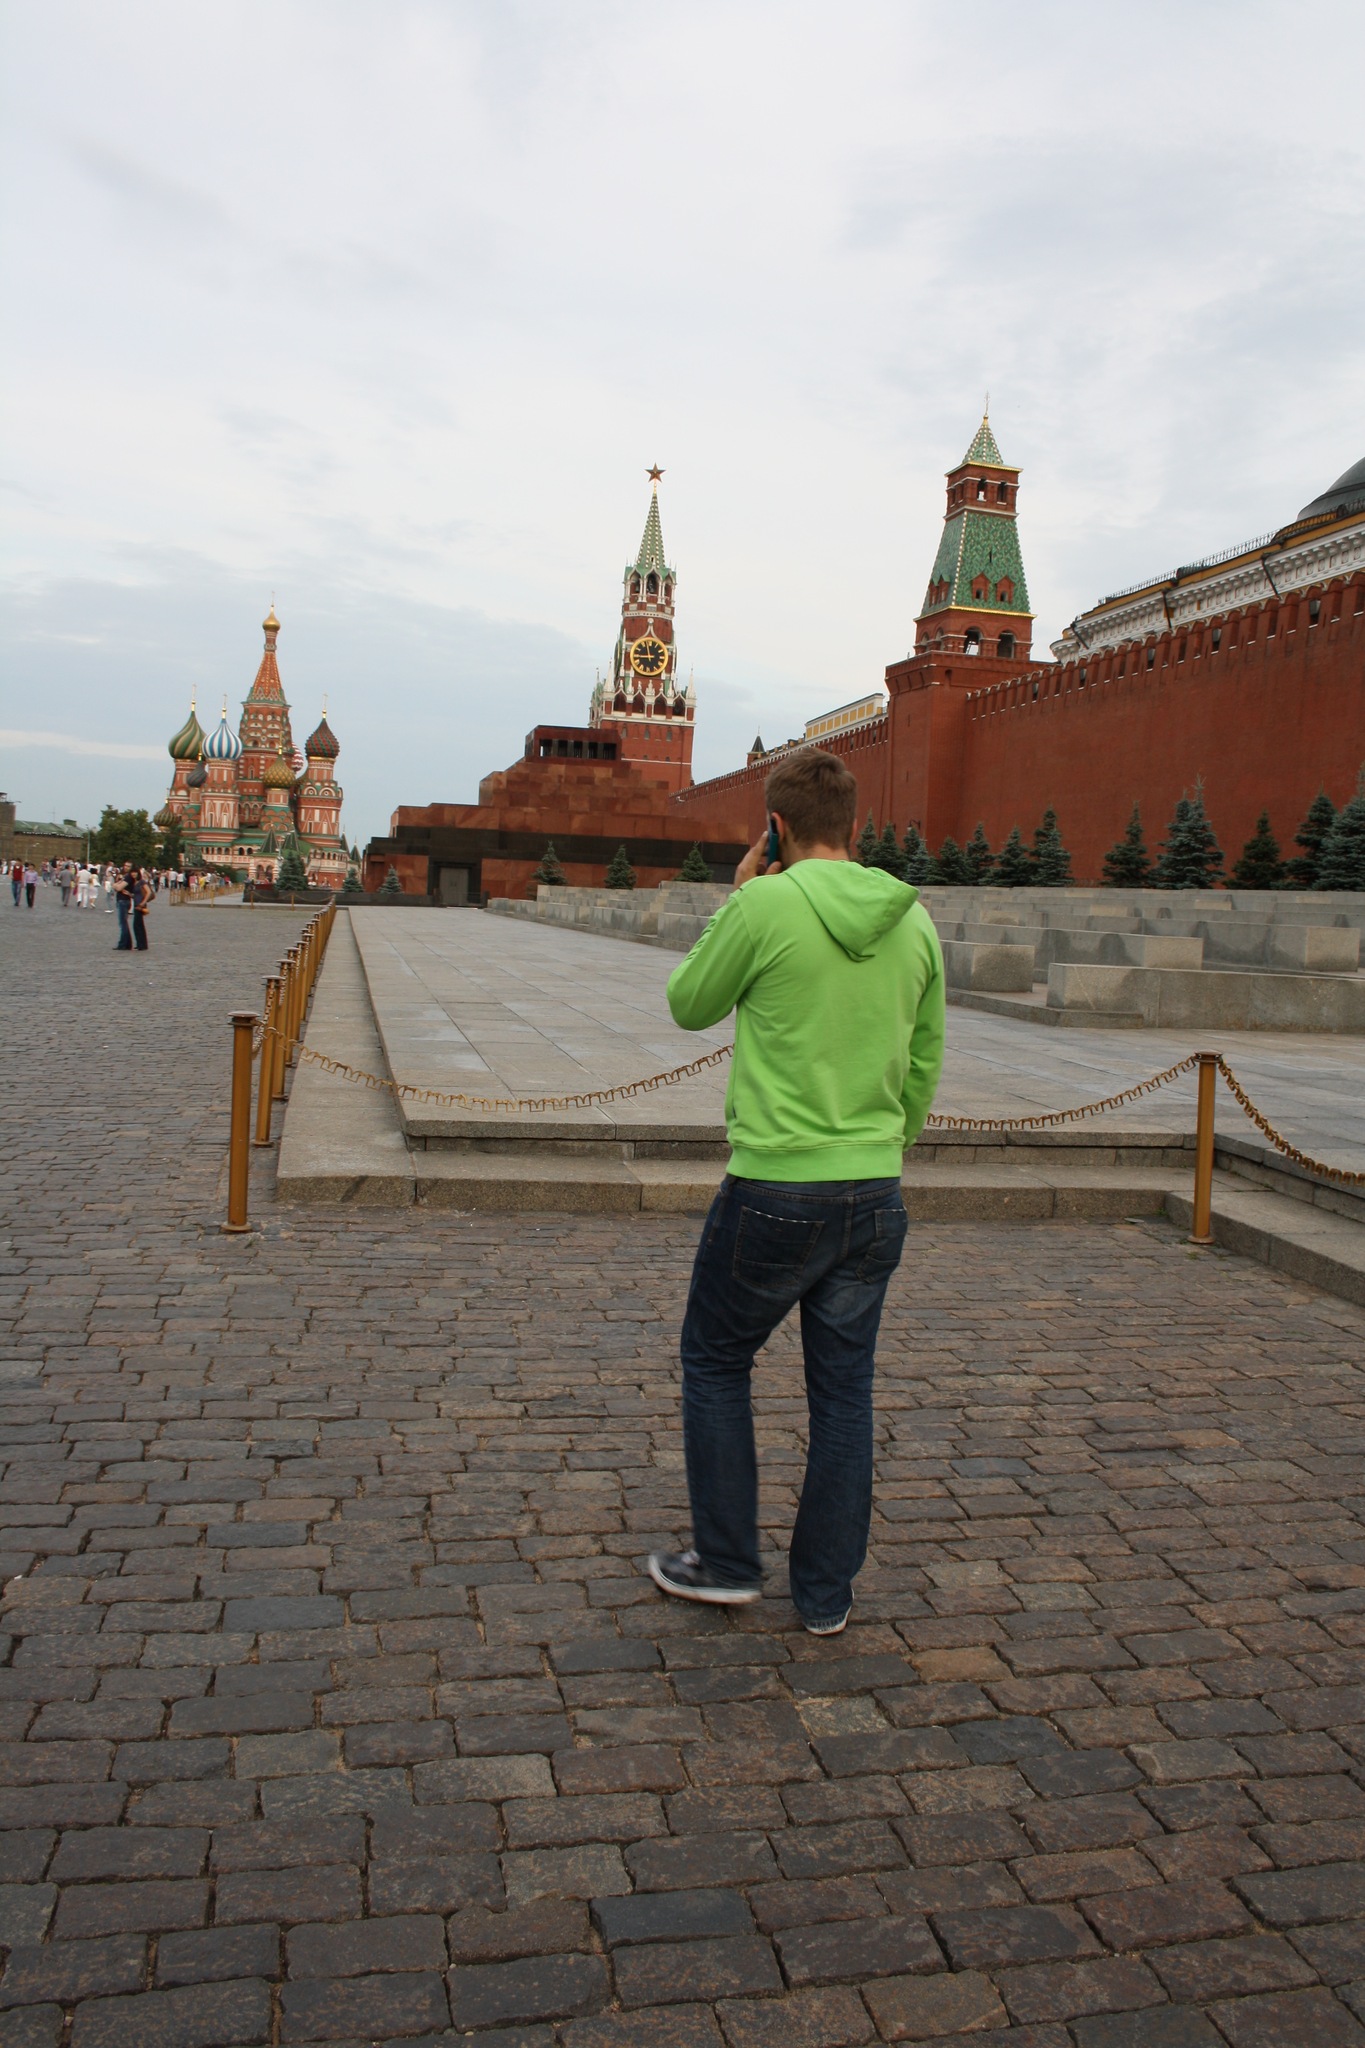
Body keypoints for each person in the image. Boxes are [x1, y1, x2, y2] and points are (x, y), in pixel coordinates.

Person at [648, 748, 945, 1635]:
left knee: (714, 1360)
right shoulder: (912, 921)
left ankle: (726, 1562)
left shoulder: (765, 904)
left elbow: (688, 1003)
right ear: (854, 827)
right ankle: (824, 1594)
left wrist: (740, 895)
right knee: (843, 1393)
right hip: (874, 1189)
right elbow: (923, 1060)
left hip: (774, 1186)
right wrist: (881, 1146)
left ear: (775, 828)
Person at [114, 864, 135, 949]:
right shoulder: (125, 876)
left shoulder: (128, 877)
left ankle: (123, 944)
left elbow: (118, 888)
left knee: (123, 923)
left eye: (128, 866)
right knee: (124, 922)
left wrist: (116, 886)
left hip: (123, 900)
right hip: (123, 900)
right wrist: (116, 885)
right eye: (125, 865)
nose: (126, 867)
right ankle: (127, 943)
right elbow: (115, 885)